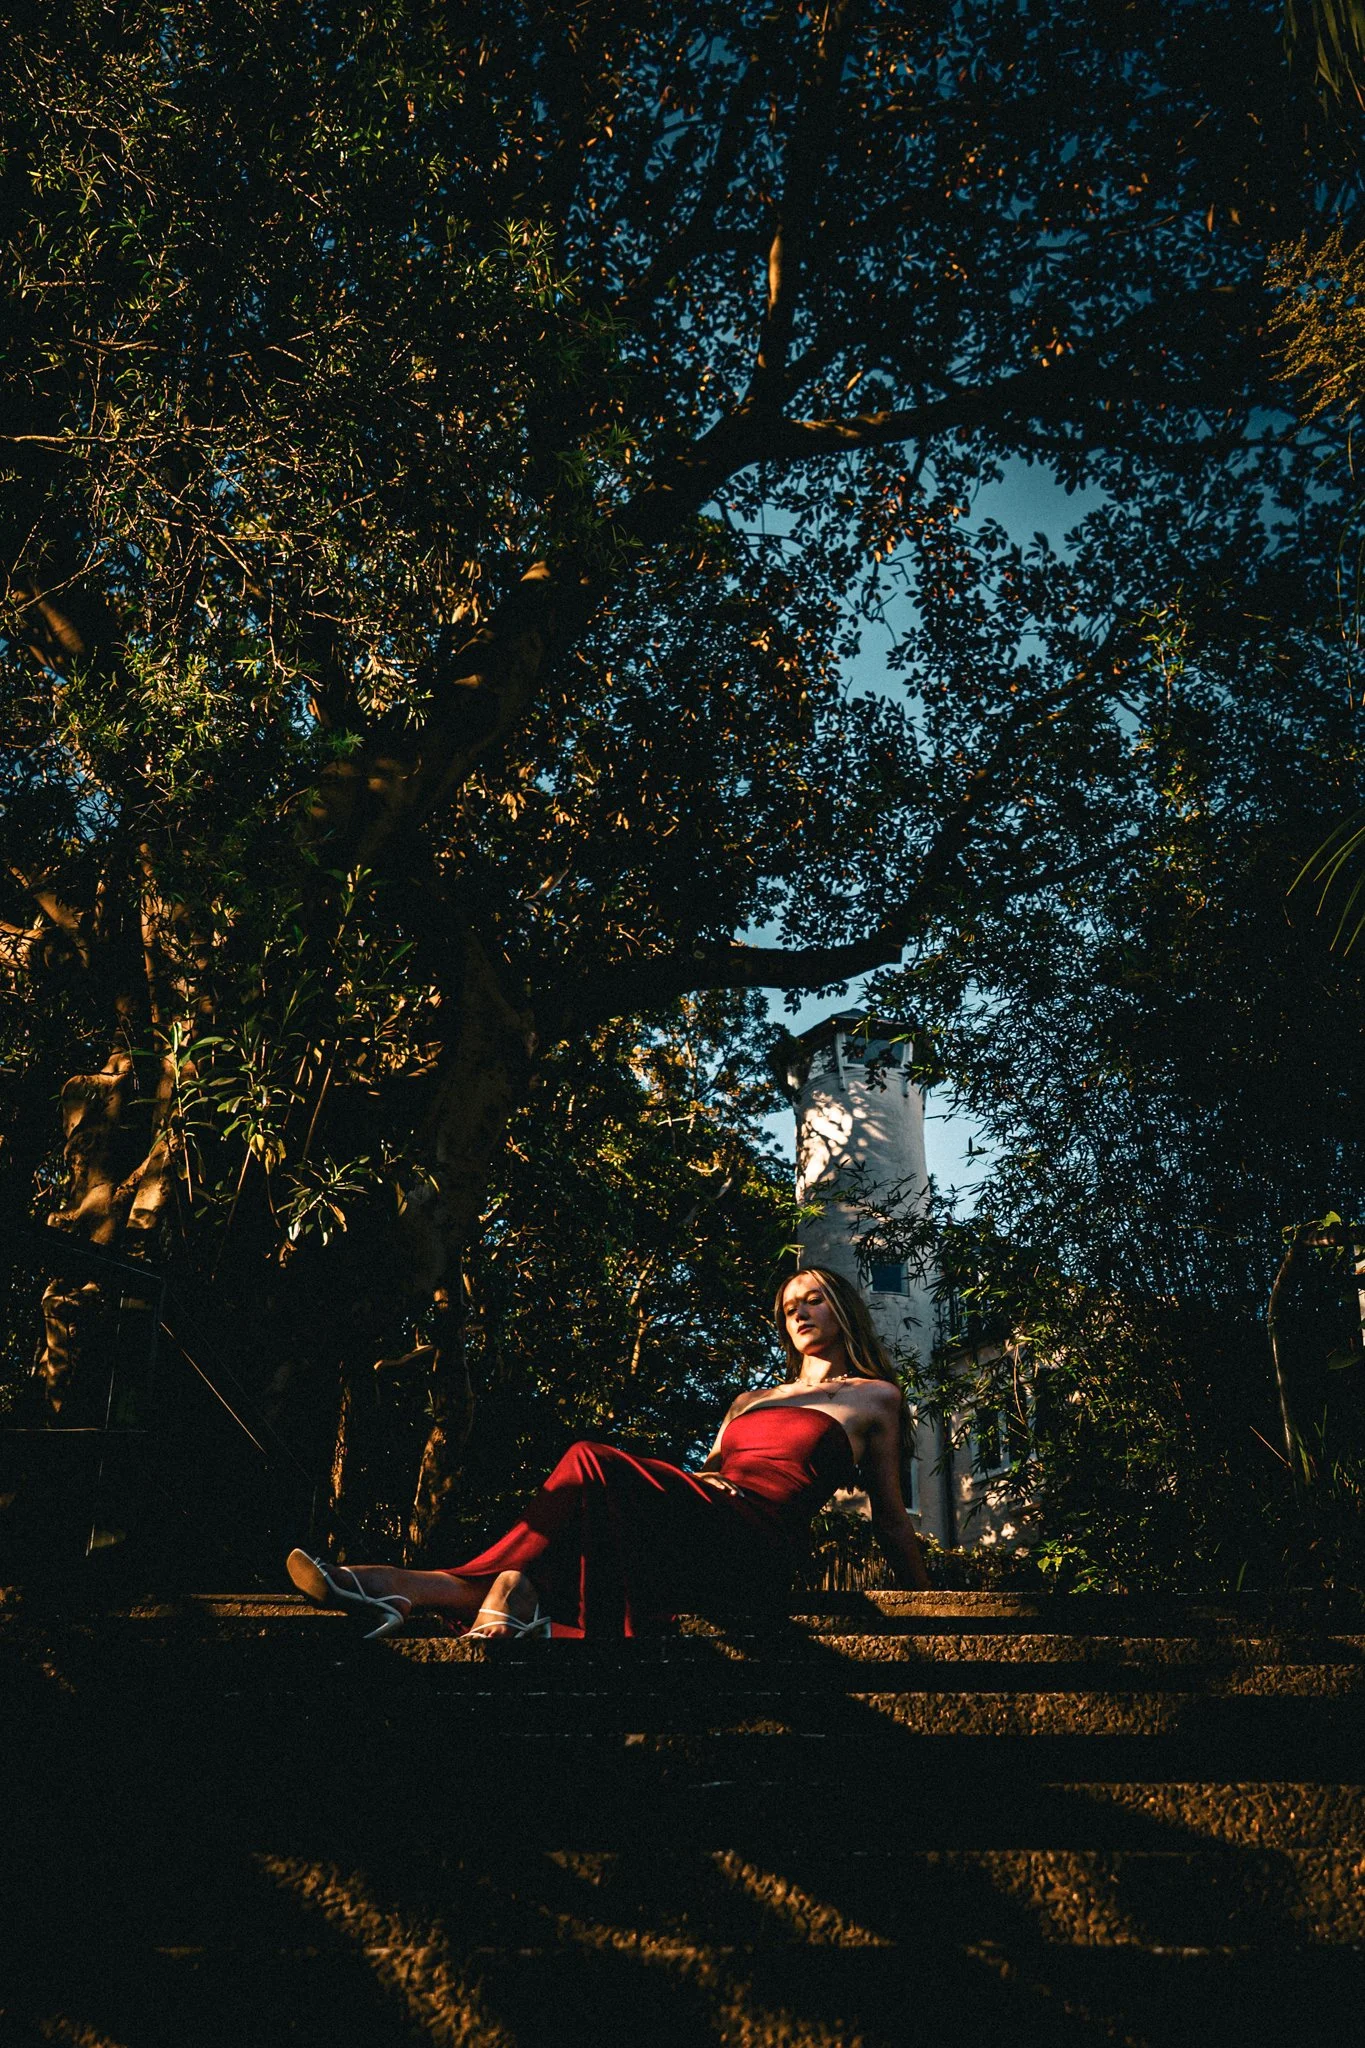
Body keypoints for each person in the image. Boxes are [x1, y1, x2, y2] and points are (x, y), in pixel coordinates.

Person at [286, 1265, 932, 1640]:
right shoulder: (748, 1400)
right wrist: (695, 1487)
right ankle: (429, 1592)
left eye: (813, 1298)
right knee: (593, 1497)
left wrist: (924, 1604)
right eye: (788, 1306)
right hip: (697, 1521)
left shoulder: (874, 1397)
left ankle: (404, 1587)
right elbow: (704, 1474)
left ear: (843, 1307)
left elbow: (889, 1517)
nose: (799, 1312)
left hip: (756, 1545)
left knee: (590, 1459)